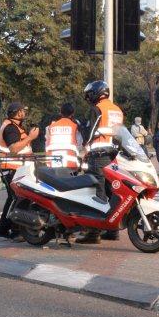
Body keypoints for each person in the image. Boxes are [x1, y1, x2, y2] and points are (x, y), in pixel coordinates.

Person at [77, 80, 124, 243]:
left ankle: (93, 233)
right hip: (113, 155)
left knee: (97, 191)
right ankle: (113, 230)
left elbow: (90, 133)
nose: (89, 98)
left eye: (90, 94)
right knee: (112, 191)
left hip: (98, 155)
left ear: (97, 93)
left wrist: (85, 147)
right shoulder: (117, 110)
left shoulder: (97, 109)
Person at [0, 102, 38, 240]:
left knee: (14, 199)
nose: (24, 113)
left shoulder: (14, 127)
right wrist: (30, 137)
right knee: (17, 199)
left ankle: (3, 229)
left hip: (16, 169)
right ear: (18, 113)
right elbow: (14, 149)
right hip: (12, 169)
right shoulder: (10, 128)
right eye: (23, 111)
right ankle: (14, 230)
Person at [45, 103, 83, 169]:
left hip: (52, 162)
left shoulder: (51, 126)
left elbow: (47, 143)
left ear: (60, 113)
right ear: (72, 113)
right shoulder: (75, 126)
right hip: (70, 162)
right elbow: (79, 144)